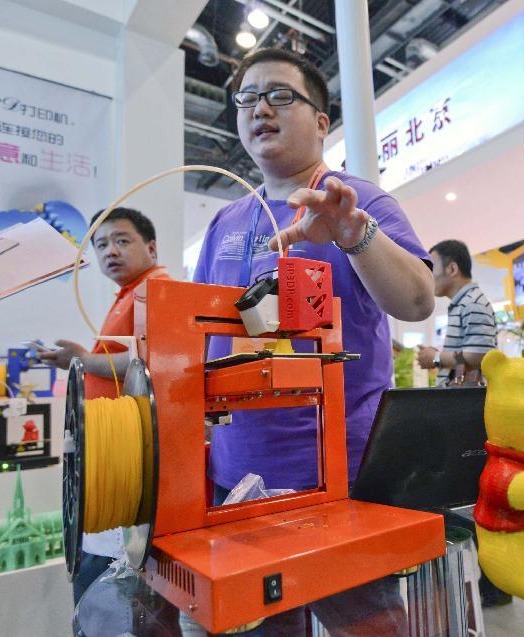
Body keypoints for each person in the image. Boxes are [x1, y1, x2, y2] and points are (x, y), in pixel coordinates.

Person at [192, 47, 434, 635]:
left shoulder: (360, 203)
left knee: (368, 625)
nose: (259, 109)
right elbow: (199, 338)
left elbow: (418, 300)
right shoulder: (226, 223)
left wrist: (354, 236)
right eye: (247, 98)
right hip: (239, 478)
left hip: (341, 479)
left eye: (279, 94)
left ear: (322, 122)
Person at [40, 206, 169, 605]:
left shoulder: (157, 287)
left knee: (108, 589)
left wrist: (78, 361)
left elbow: (151, 361)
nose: (109, 250)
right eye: (100, 244)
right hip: (105, 454)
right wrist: (83, 356)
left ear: (151, 247)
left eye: (122, 240)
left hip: (125, 461)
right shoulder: (128, 295)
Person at [418, 239, 496, 385]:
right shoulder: (466, 302)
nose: (428, 276)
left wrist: (436, 358)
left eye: (432, 268)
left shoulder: (473, 303)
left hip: (465, 402)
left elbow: (480, 356)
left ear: (452, 269)